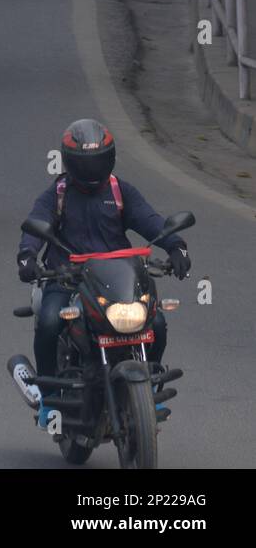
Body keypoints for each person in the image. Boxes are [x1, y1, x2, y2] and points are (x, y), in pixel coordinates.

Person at [16, 120, 192, 428]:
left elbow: (152, 222)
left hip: (119, 279)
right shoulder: (57, 194)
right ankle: (48, 400)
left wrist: (176, 247)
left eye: (97, 160)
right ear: (70, 162)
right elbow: (36, 223)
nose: (91, 168)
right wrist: (27, 256)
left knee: (158, 323)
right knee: (48, 322)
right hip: (66, 278)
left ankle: (148, 385)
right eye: (85, 162)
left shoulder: (120, 191)